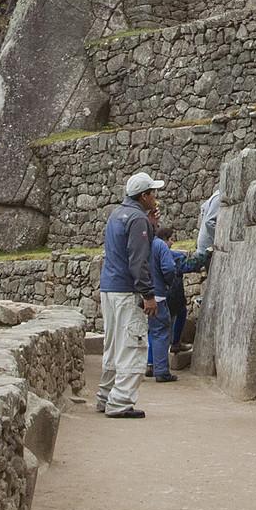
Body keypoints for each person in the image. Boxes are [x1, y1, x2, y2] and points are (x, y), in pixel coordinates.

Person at [97, 171, 164, 418]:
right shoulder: (137, 220)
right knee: (133, 344)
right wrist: (148, 294)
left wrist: (152, 226)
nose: (155, 197)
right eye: (152, 193)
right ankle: (121, 401)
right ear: (144, 196)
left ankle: (105, 396)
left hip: (110, 287)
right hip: (127, 290)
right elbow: (138, 259)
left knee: (113, 345)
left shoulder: (117, 215)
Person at [146, 226, 208, 381]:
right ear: (165, 239)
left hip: (153, 294)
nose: (173, 242)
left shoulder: (148, 249)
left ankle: (150, 362)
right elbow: (182, 267)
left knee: (153, 331)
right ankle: (172, 348)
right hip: (168, 295)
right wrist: (205, 256)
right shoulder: (168, 253)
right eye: (171, 239)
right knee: (168, 324)